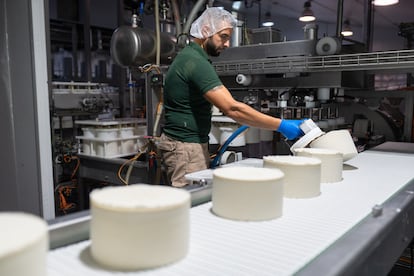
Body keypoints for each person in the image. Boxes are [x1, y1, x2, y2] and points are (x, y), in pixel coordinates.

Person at [158, 7, 304, 187]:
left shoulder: (192, 57)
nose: (227, 44)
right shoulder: (195, 62)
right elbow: (232, 108)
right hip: (186, 148)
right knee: (192, 206)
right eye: (224, 37)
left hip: (186, 145)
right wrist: (281, 125)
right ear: (206, 31)